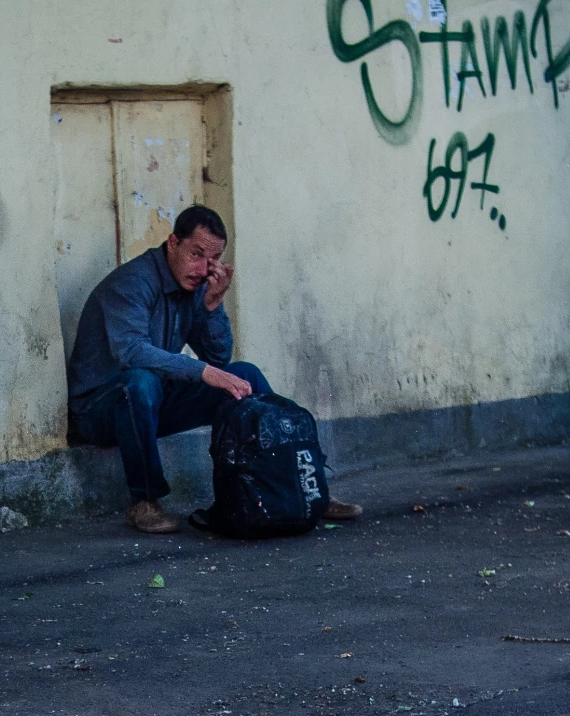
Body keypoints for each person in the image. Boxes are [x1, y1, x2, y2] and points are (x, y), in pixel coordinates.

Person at [66, 204, 364, 534]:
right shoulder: (132, 283)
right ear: (172, 244)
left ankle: (305, 483)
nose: (203, 267)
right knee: (139, 381)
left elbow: (219, 358)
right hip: (98, 411)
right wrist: (203, 371)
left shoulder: (194, 285)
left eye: (213, 259)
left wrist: (212, 307)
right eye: (196, 254)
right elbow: (132, 353)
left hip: (153, 401)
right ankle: (144, 501)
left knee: (245, 374)